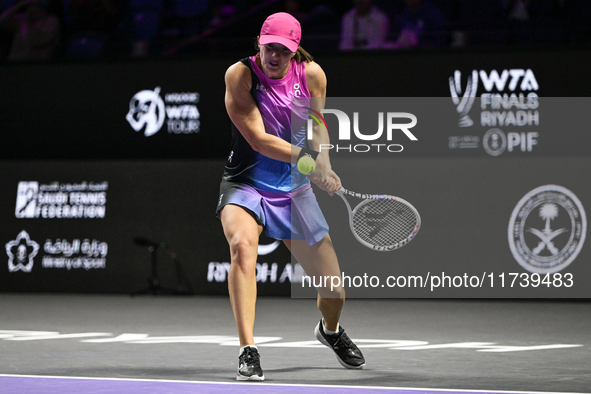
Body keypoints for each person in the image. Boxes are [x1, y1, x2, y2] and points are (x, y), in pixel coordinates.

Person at [217, 12, 365, 381]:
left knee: (334, 293)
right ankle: (247, 349)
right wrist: (306, 161)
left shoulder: (312, 75)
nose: (275, 56)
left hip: (294, 191)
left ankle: (329, 331)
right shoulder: (241, 75)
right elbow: (258, 138)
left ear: (295, 50)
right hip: (246, 183)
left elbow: (317, 127)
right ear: (259, 43)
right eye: (270, 47)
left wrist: (324, 163)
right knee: (241, 247)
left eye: (283, 50)